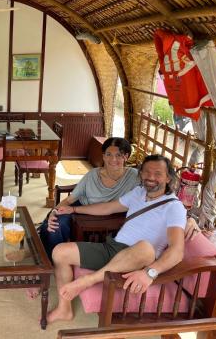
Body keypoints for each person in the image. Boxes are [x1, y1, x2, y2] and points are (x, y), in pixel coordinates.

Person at [46, 155, 187, 323]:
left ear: (168, 177)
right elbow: (108, 208)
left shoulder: (174, 207)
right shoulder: (138, 192)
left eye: (158, 173)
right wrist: (74, 209)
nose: (151, 177)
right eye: (147, 172)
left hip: (139, 260)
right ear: (141, 174)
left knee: (145, 248)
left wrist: (150, 273)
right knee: (60, 251)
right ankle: (64, 309)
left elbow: (177, 251)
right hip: (113, 249)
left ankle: (88, 280)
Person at [43, 137, 139, 258]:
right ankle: (51, 260)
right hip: (82, 209)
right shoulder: (93, 175)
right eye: (108, 154)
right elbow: (69, 200)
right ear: (103, 156)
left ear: (126, 156)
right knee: (54, 225)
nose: (113, 159)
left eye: (119, 155)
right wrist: (54, 211)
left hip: (113, 217)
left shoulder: (135, 176)